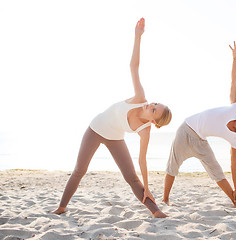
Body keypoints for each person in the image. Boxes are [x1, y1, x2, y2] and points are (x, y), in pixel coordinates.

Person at [54, 18, 172, 218]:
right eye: (155, 104)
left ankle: (156, 212)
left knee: (132, 178)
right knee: (79, 170)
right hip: (95, 129)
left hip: (115, 138)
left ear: (153, 121)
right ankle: (62, 207)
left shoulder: (145, 131)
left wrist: (148, 187)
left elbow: (142, 161)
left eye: (154, 110)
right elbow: (134, 66)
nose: (150, 105)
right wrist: (137, 37)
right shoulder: (140, 97)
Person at [162, 41, 236, 208]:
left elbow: (234, 164)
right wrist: (235, 60)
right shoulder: (235, 107)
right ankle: (165, 200)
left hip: (200, 141)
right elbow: (234, 83)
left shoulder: (235, 139)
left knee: (217, 172)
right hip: (186, 129)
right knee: (172, 166)